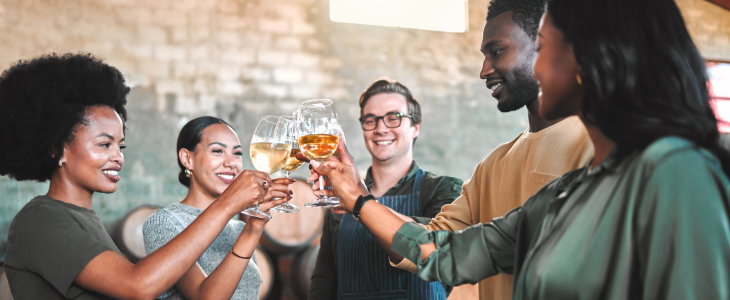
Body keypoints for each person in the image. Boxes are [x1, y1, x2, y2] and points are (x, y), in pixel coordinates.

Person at [309, 0, 730, 298]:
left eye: (544, 47)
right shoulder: (568, 192)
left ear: (590, 57)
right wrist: (356, 196)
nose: (540, 67)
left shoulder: (674, 170)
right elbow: (441, 253)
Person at [0, 53, 289, 300]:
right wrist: (228, 204)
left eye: (120, 145)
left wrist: (250, 226)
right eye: (104, 144)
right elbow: (139, 286)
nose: (118, 156)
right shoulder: (42, 218)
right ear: (56, 149)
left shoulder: (83, 219)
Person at [369, 0, 594, 299]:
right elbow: (432, 245)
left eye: (497, 52)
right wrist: (356, 199)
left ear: (543, 45)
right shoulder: (493, 165)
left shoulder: (597, 148)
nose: (484, 70)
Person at [307, 79, 464, 299]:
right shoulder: (339, 201)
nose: (381, 128)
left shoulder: (445, 189)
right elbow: (324, 281)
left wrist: (358, 200)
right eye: (370, 120)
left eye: (394, 118)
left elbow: (434, 250)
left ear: (415, 127)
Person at [143, 116, 293, 300]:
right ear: (187, 158)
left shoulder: (238, 228)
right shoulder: (165, 223)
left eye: (237, 153)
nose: (231, 163)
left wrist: (255, 222)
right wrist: (253, 228)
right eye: (217, 151)